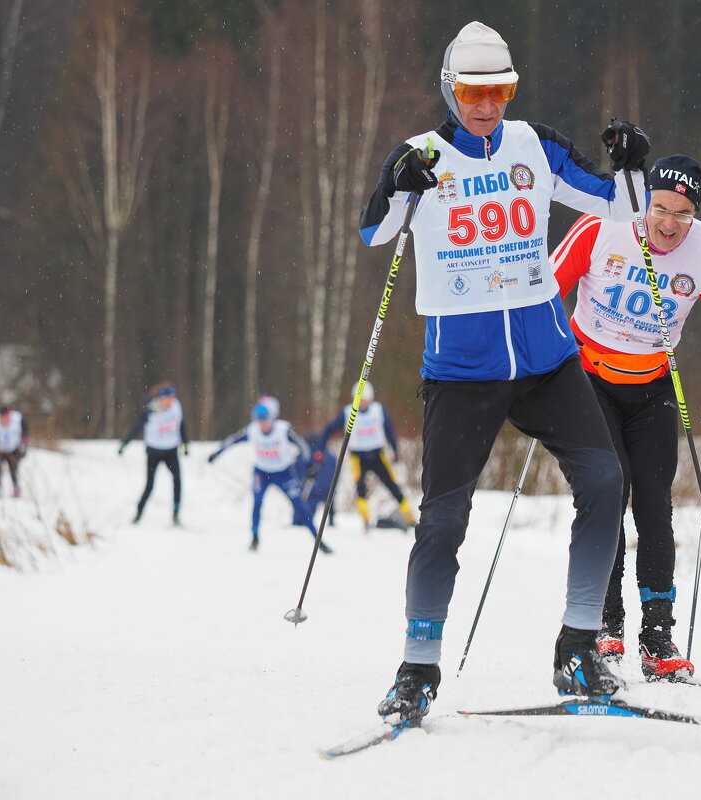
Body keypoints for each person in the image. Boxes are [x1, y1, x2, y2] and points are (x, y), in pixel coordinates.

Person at [359, 20, 651, 725]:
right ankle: (416, 666)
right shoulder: (422, 156)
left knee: (608, 482)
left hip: (547, 360)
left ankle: (579, 646)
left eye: (498, 90)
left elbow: (621, 205)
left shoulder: (536, 145)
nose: (485, 104)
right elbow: (374, 231)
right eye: (472, 91)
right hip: (463, 369)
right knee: (444, 520)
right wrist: (396, 183)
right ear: (450, 90)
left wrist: (635, 162)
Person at [552, 154, 701, 682]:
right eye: (660, 208)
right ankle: (605, 623)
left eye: (682, 214)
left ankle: (657, 638)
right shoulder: (603, 226)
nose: (668, 223)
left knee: (655, 506)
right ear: (646, 204)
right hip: (590, 381)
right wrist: (549, 363)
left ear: (696, 214)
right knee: (607, 494)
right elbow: (545, 292)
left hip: (654, 386)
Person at [207, 396, 333, 554]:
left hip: (284, 472)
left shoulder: (283, 429)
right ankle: (254, 537)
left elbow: (302, 445)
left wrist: (310, 465)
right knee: (257, 502)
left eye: (265, 420)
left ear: (272, 418)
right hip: (262, 472)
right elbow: (232, 440)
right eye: (259, 420)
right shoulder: (252, 430)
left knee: (299, 506)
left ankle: (318, 539)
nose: (262, 424)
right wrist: (216, 453)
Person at [318, 381, 417, 531]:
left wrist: (396, 450)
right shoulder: (348, 412)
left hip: (378, 454)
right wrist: (321, 449)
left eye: (364, 399)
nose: (361, 403)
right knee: (360, 487)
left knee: (392, 485)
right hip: (358, 457)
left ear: (370, 398)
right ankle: (365, 520)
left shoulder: (378, 410)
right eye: (358, 399)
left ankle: (409, 518)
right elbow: (328, 429)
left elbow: (390, 430)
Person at [118, 383, 188, 524]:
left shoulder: (176, 408)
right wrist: (124, 443)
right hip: (154, 452)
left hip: (171, 451)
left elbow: (181, 426)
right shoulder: (150, 412)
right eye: (167, 398)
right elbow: (136, 428)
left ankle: (176, 513)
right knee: (150, 486)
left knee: (177, 481)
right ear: (160, 399)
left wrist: (186, 443)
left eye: (172, 397)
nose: (170, 401)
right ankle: (138, 513)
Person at [0, 404, 28, 498]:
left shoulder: (17, 419)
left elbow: (25, 433)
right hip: (0, 449)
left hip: (13, 448)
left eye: (5, 417)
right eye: (1, 418)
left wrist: (24, 447)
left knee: (13, 469)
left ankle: (16, 489)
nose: (3, 420)